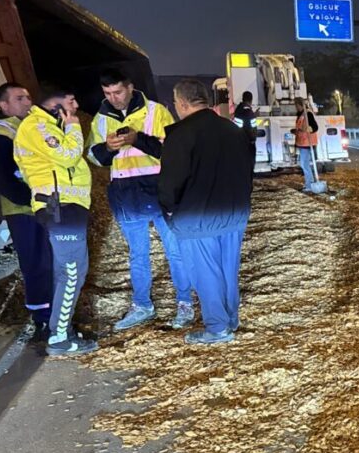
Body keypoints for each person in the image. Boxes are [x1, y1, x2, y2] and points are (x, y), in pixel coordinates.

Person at [87, 69, 193, 331]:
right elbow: (93, 157)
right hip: (125, 193)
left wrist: (138, 139)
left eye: (118, 92)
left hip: (159, 190)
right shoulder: (100, 119)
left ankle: (185, 302)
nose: (114, 98)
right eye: (108, 93)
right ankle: (142, 304)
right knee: (137, 254)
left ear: (130, 87)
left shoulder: (157, 112)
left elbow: (171, 149)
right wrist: (107, 149)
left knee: (175, 251)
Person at [158, 79, 254, 345]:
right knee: (227, 270)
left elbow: (170, 181)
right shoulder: (232, 129)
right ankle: (230, 318)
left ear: (183, 103)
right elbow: (247, 170)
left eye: (176, 103)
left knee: (205, 272)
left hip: (197, 216)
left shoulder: (181, 134)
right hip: (234, 212)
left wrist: (169, 211)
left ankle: (217, 327)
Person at [13, 87, 97, 356]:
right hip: (58, 206)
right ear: (54, 103)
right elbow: (68, 156)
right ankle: (60, 336)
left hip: (65, 206)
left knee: (73, 270)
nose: (76, 106)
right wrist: (73, 126)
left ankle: (62, 330)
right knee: (71, 271)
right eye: (70, 101)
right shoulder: (38, 126)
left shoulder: (48, 125)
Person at [0, 83, 53, 342]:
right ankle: (43, 321)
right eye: (19, 98)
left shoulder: (35, 125)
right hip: (23, 209)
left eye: (28, 97)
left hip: (46, 205)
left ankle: (57, 315)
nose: (27, 101)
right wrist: (28, 199)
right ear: (4, 105)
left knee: (51, 262)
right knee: (36, 264)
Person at [293, 97, 320, 192]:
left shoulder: (307, 113)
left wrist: (308, 129)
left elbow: (315, 127)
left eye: (296, 105)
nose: (295, 107)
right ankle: (309, 183)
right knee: (304, 164)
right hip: (302, 142)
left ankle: (309, 185)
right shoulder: (301, 114)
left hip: (307, 143)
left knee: (304, 164)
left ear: (300, 105)